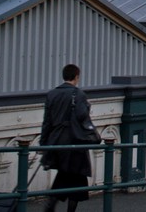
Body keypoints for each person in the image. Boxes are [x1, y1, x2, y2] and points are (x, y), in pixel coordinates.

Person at [40, 64, 94, 212]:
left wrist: (43, 143)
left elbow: (46, 122)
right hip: (74, 141)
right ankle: (56, 206)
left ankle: (51, 203)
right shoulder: (79, 94)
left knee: (65, 174)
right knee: (77, 179)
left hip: (57, 140)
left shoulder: (51, 94)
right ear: (77, 77)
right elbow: (83, 118)